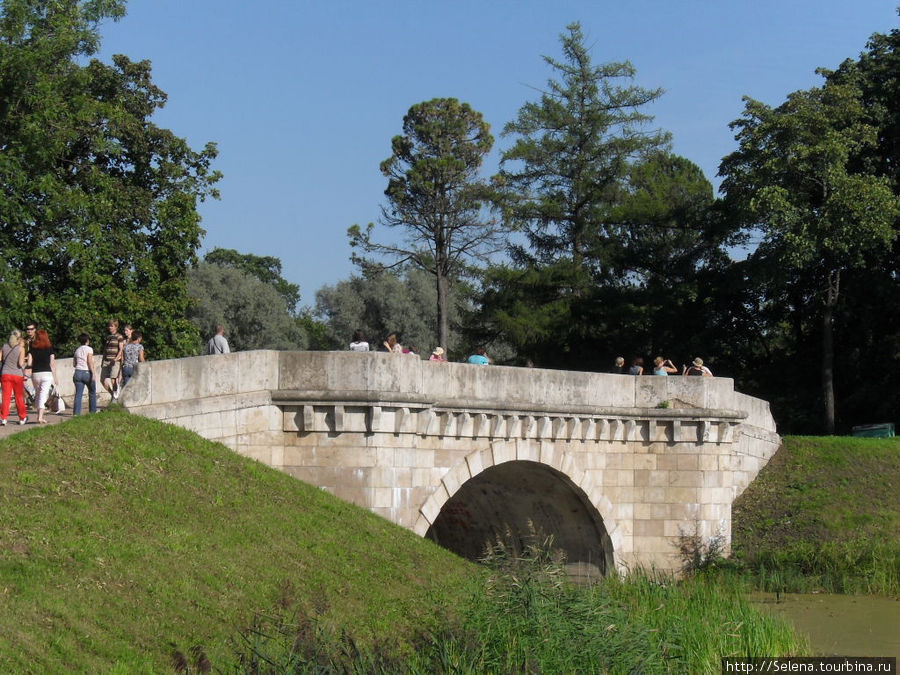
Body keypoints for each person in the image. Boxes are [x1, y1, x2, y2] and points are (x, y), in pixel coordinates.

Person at [27, 329, 58, 424]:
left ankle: (39, 414)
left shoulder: (32, 348)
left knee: (38, 394)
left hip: (35, 374)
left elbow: (29, 363)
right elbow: (52, 364)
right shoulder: (49, 349)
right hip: (47, 374)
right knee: (43, 395)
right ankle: (40, 417)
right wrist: (55, 377)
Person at [1, 330, 28, 425]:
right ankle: (22, 418)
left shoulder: (4, 346)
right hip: (17, 375)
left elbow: (0, 359)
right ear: (18, 338)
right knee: (19, 397)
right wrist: (25, 360)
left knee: (6, 397)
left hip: (5, 374)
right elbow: (20, 364)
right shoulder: (21, 349)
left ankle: (3, 418)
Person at [72, 333, 97, 415]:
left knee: (78, 394)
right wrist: (93, 373)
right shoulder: (89, 349)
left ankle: (76, 413)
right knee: (92, 392)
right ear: (87, 340)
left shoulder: (77, 350)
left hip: (77, 372)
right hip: (86, 372)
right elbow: (89, 361)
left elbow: (74, 364)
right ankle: (93, 411)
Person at [100, 319, 125, 401]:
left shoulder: (119, 336)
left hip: (115, 361)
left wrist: (116, 358)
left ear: (116, 327)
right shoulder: (108, 337)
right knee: (102, 380)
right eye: (109, 326)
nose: (109, 327)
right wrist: (103, 360)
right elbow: (105, 349)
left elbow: (121, 349)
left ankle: (115, 398)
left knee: (113, 379)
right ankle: (113, 394)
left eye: (111, 326)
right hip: (106, 361)